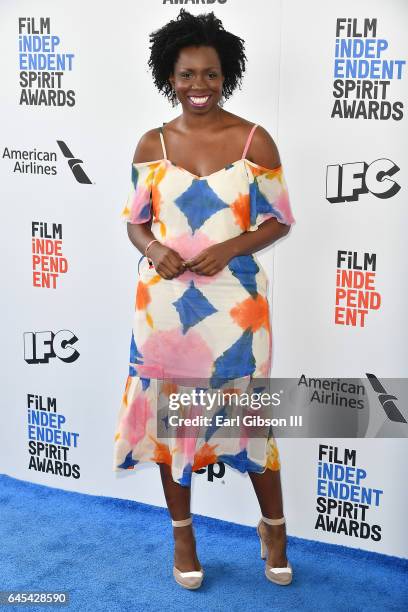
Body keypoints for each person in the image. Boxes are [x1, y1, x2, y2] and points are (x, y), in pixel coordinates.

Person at [113, 9, 296, 589]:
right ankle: (183, 536)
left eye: (211, 74)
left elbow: (279, 221)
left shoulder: (253, 139)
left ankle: (274, 528)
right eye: (188, 73)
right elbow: (135, 222)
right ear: (170, 76)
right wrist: (152, 249)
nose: (200, 85)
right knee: (174, 428)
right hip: (164, 307)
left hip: (235, 304)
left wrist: (232, 247)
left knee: (249, 420)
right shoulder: (152, 143)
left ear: (227, 75)